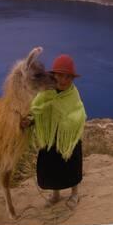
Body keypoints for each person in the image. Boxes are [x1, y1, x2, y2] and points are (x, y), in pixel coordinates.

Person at [21, 54, 87, 209]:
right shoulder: (45, 93)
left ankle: (74, 194)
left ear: (72, 79)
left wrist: (66, 121)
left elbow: (79, 114)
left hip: (67, 138)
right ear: (53, 76)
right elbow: (37, 110)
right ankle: (55, 194)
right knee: (51, 168)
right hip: (50, 137)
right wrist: (30, 121)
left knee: (72, 166)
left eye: (68, 77)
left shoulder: (73, 94)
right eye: (60, 76)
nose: (64, 80)